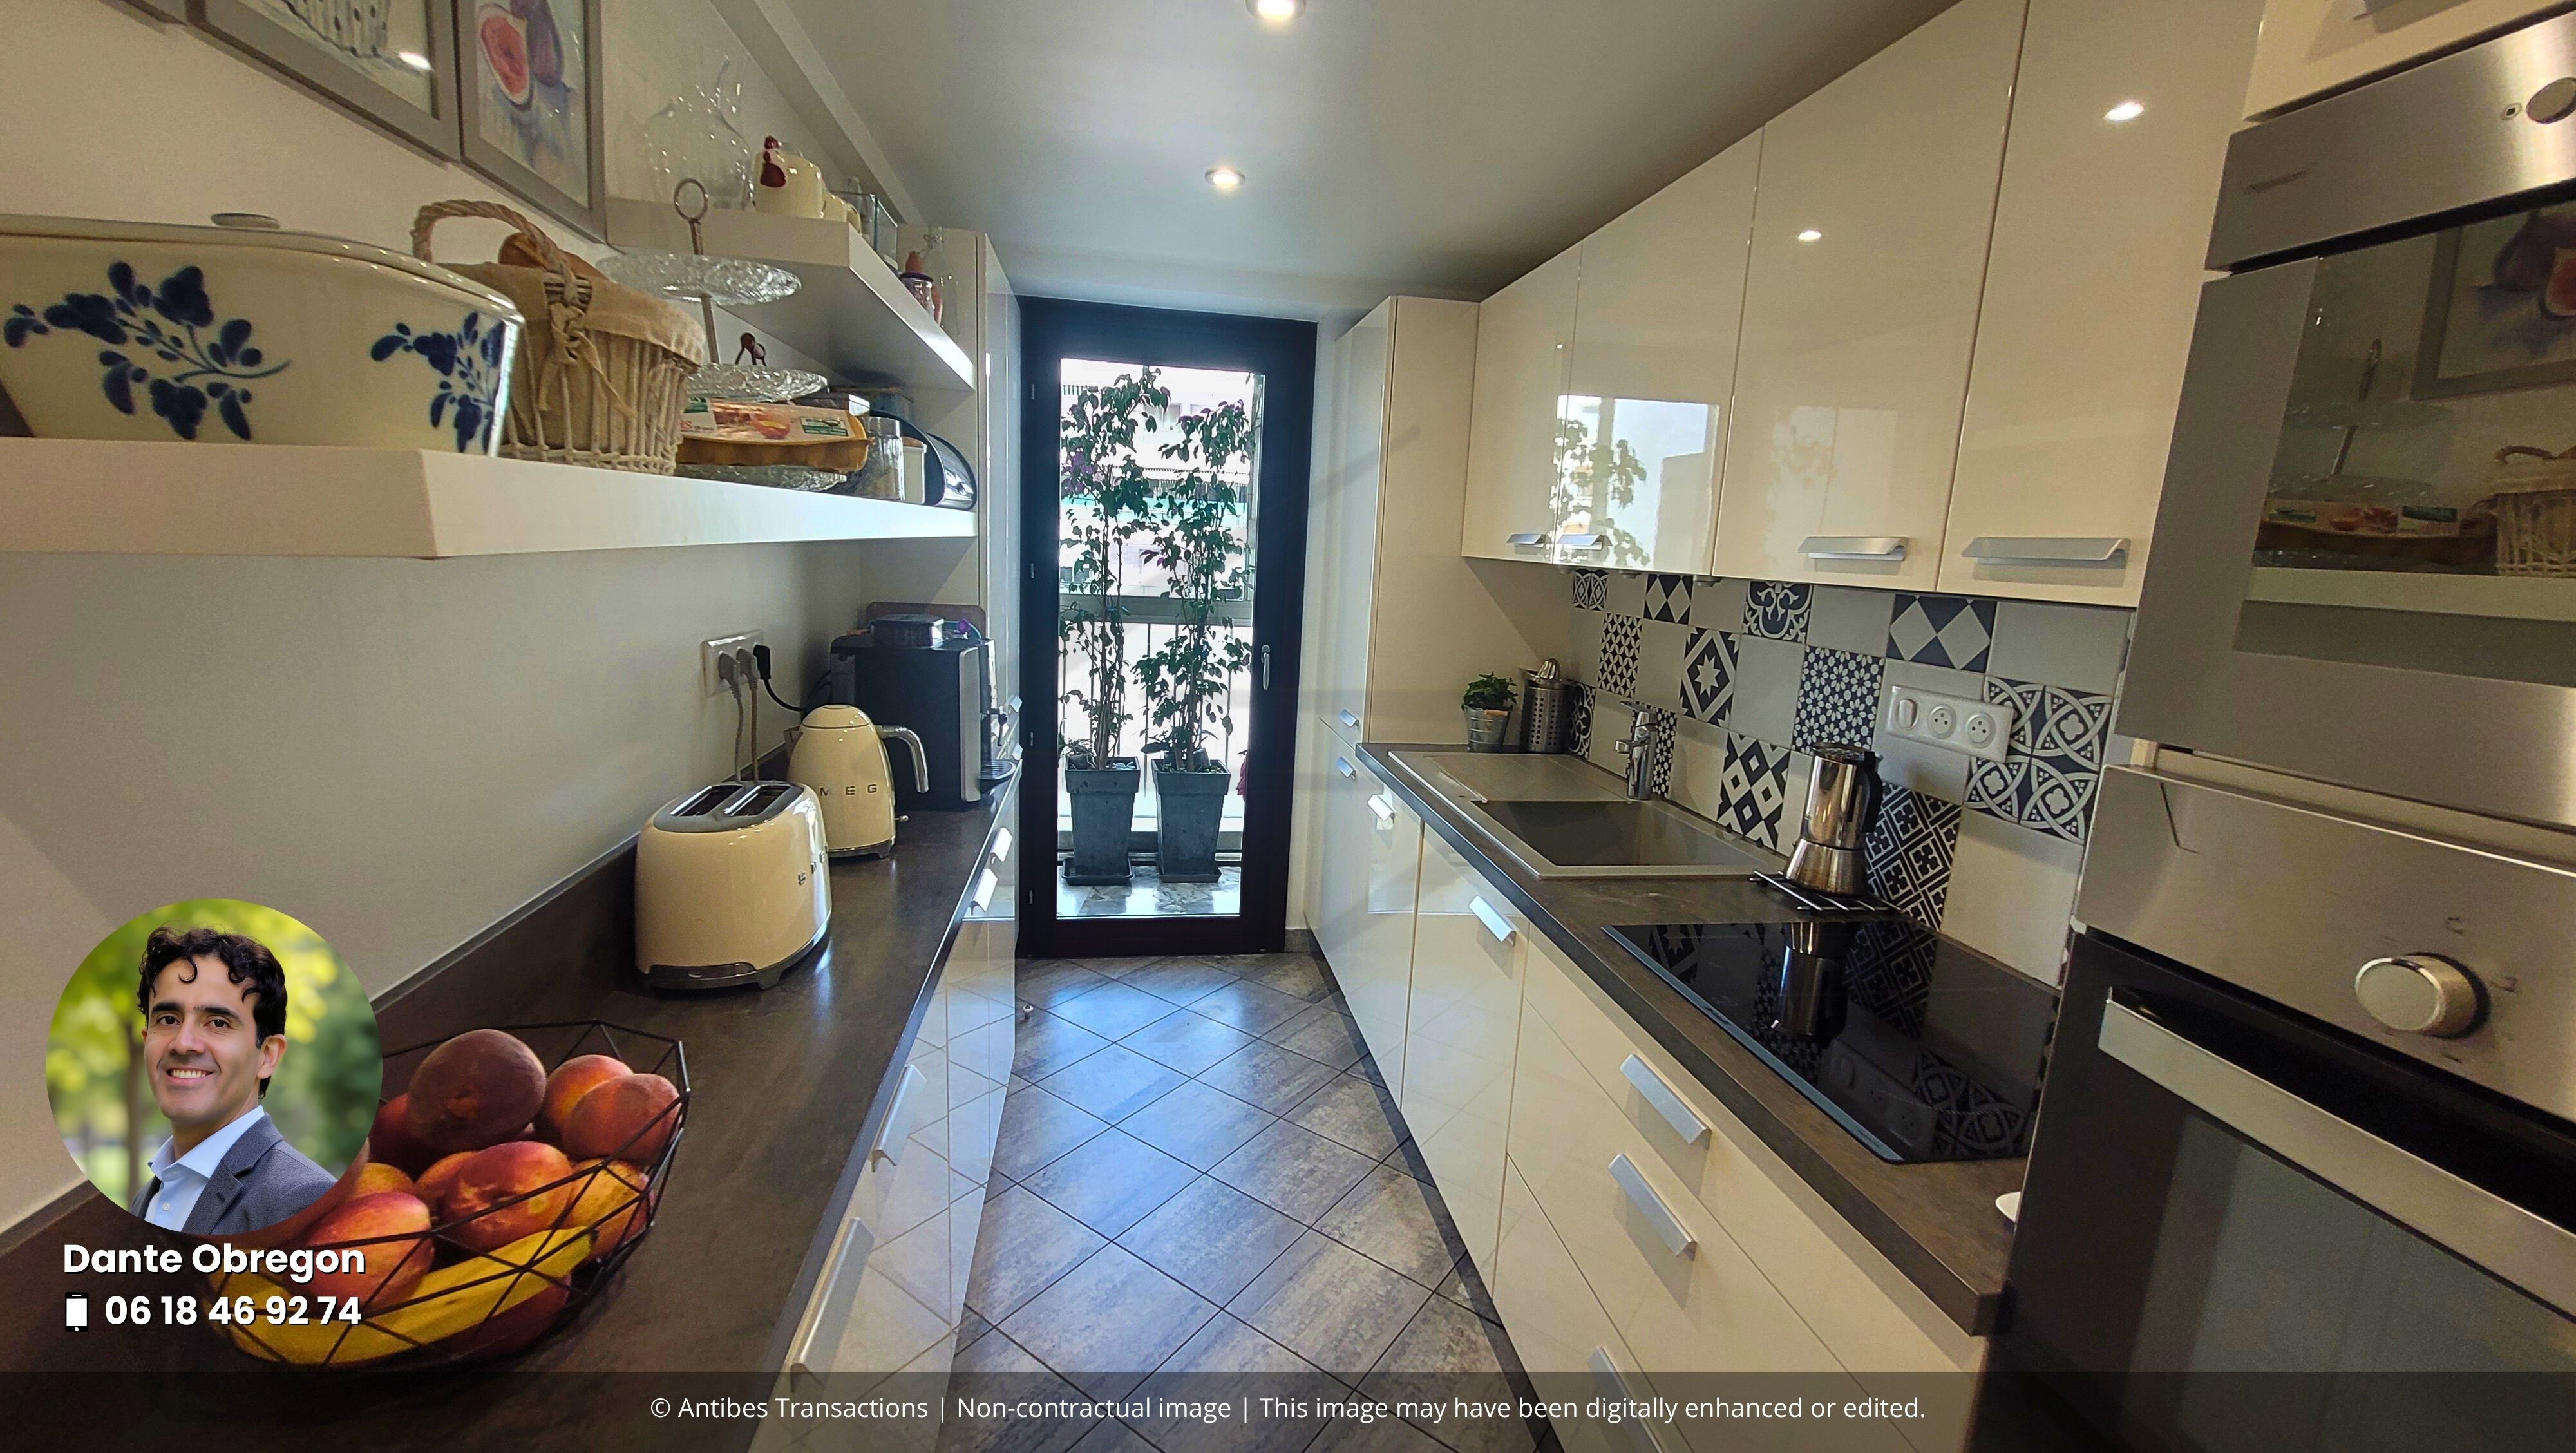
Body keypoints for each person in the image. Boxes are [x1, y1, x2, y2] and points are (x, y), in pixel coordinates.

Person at [129, 927, 335, 1234]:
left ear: (267, 1055)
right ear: (147, 1041)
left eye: (218, 1023)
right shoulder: (147, 1198)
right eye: (168, 1020)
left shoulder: (301, 1198)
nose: (183, 1043)